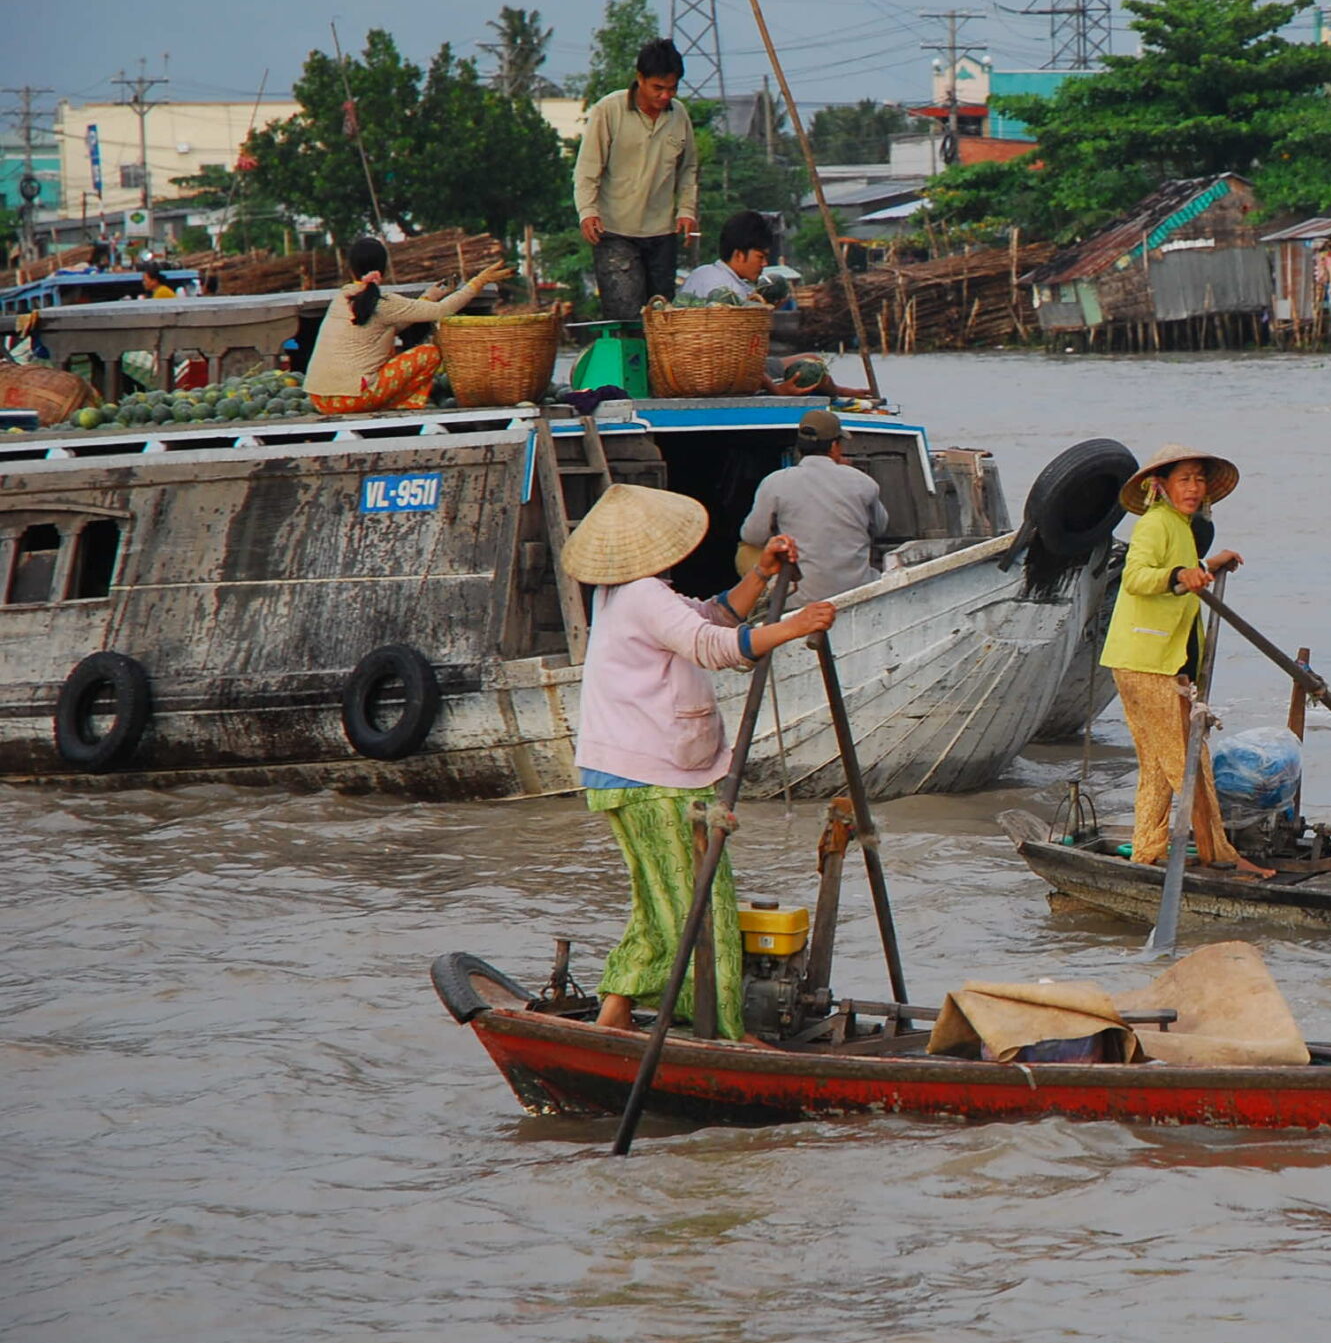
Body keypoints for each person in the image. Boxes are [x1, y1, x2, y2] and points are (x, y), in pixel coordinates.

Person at [562, 484, 837, 1040]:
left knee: (660, 904)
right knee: (701, 908)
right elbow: (714, 646)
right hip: (651, 776)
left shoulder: (628, 593)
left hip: (633, 772)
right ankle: (727, 1032)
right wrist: (795, 626)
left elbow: (712, 616)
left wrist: (758, 575)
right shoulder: (642, 596)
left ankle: (614, 1015)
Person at [1099, 445, 1272, 878]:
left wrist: (1207, 565)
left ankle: (1146, 850)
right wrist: (1179, 576)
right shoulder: (1154, 524)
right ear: (1161, 486)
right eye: (1184, 479)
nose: (1194, 488)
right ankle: (1221, 854)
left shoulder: (1181, 525)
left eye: (1198, 479)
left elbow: (1183, 566)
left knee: (1158, 766)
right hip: (1146, 662)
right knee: (1189, 761)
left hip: (1157, 660)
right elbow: (1136, 576)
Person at [302, 237, 510, 414]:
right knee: (429, 353)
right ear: (383, 268)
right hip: (352, 399)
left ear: (351, 269)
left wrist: (434, 293)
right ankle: (402, 404)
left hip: (320, 400)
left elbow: (399, 319)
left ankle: (390, 401)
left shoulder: (343, 296)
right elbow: (443, 311)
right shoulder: (384, 303)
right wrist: (478, 282)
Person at [576, 37, 700, 322]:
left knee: (661, 319)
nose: (665, 96)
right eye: (658, 88)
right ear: (640, 79)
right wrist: (588, 211)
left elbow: (689, 168)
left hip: (662, 233)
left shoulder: (679, 115)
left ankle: (657, 369)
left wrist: (686, 210)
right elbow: (587, 169)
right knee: (626, 318)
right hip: (615, 232)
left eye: (672, 88)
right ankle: (626, 367)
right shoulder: (608, 110)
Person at [739, 407, 891, 601]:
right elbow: (879, 528)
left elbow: (752, 536)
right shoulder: (863, 482)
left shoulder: (775, 482)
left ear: (800, 447)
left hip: (800, 598)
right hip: (858, 590)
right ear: (835, 446)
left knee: (745, 549)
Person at [679, 211, 777, 304]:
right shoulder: (732, 293)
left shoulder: (700, 273)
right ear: (739, 254)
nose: (764, 264)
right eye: (760, 257)